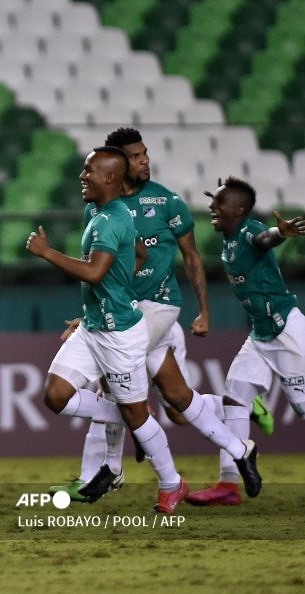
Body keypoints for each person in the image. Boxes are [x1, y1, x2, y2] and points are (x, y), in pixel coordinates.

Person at [49, 127, 262, 503]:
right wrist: (96, 311)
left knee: (109, 385)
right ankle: (237, 424)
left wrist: (204, 312)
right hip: (129, 310)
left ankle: (107, 471)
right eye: (135, 156)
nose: (144, 160)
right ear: (116, 167)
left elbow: (193, 258)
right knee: (178, 402)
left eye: (145, 153)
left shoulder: (167, 202)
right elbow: (110, 265)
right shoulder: (98, 206)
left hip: (159, 308)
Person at [26, 146, 191, 513]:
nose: (83, 177)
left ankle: (172, 484)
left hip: (119, 337)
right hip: (95, 326)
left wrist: (47, 252)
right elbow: (139, 254)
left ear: (111, 178)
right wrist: (115, 291)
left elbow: (94, 272)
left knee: (135, 415)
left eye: (89, 171)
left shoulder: (110, 219)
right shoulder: (104, 213)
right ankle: (135, 414)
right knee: (56, 396)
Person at [188, 176, 305, 505]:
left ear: (240, 210)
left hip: (284, 331)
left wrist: (279, 233)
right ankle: (228, 485)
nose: (212, 208)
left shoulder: (247, 232)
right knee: (234, 397)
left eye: (221, 204)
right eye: (213, 202)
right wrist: (222, 197)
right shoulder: (230, 235)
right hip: (261, 333)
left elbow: (263, 239)